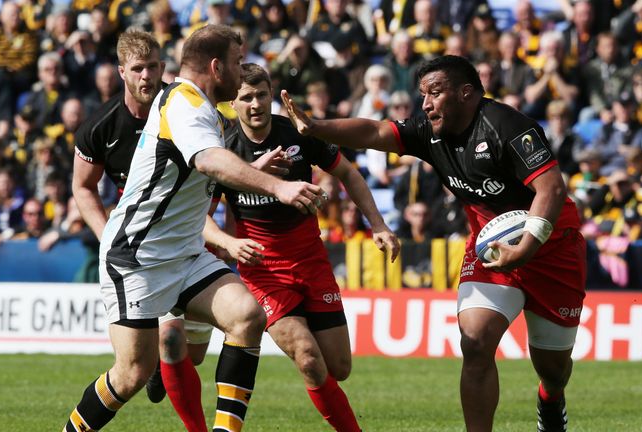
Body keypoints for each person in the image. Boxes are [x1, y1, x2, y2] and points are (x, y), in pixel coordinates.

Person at [282, 55, 586, 432]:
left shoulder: (508, 126)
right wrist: (316, 127)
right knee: (474, 342)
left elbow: (552, 188)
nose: (425, 103)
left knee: (553, 368)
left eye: (435, 93)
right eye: (423, 93)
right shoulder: (428, 131)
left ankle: (550, 399)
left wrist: (526, 247)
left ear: (466, 92)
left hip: (552, 247)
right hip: (490, 249)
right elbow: (375, 132)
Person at [63, 24, 325, 432]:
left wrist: (252, 171)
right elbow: (206, 161)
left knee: (247, 316)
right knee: (132, 374)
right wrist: (279, 186)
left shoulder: (199, 104)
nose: (243, 74)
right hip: (139, 256)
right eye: (238, 64)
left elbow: (199, 173)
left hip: (185, 252)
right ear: (217, 67)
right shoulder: (185, 103)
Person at [204, 63, 399, 431]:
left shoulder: (294, 133)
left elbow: (349, 173)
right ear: (234, 102)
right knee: (308, 357)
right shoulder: (224, 150)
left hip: (311, 261)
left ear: (272, 94)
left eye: (261, 95)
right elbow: (200, 217)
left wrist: (379, 224)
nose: (255, 104)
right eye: (246, 97)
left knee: (338, 367)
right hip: (263, 271)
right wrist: (228, 242)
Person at [72, 29, 217, 432]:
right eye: (138, 69)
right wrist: (108, 238)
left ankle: (159, 366)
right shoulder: (101, 125)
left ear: (164, 67)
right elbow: (82, 188)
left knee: (191, 353)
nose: (147, 76)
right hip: (138, 249)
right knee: (149, 358)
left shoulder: (183, 106)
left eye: (154, 66)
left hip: (185, 237)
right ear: (122, 72)